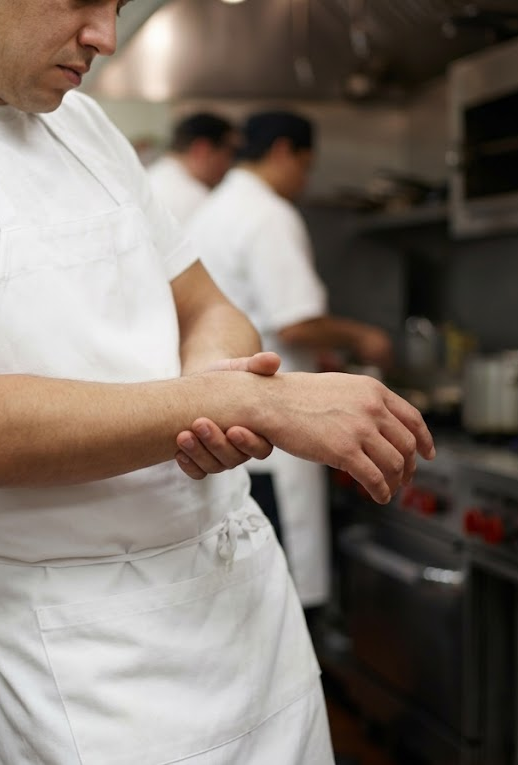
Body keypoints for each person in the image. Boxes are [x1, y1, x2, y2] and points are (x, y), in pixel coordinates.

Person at [0, 3, 433, 763]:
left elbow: (211, 308)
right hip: (95, 664)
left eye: (116, 6)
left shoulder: (82, 128)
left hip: (250, 617)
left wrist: (208, 391)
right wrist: (240, 399)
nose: (105, 38)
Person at [188, 110, 395, 615]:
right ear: (282, 151)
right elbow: (297, 321)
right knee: (281, 599)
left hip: (222, 429)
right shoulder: (267, 214)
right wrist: (364, 337)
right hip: (271, 444)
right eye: (306, 166)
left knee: (246, 595)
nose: (305, 181)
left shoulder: (213, 209)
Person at [146, 111, 239, 224]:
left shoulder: (150, 176)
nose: (228, 164)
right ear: (201, 150)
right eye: (228, 154)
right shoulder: (194, 199)